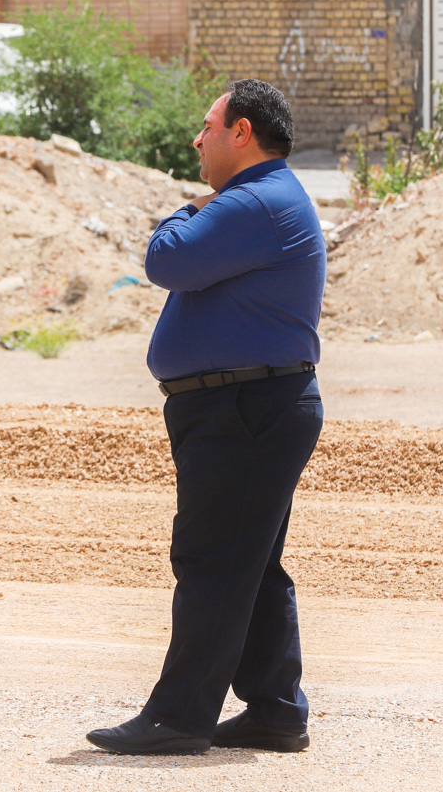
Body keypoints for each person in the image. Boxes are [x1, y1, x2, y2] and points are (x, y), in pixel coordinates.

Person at [86, 79, 326, 756]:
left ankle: (179, 715)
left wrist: (185, 210)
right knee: (251, 563)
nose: (197, 140)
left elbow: (166, 260)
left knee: (213, 560)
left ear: (241, 133)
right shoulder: (263, 197)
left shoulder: (253, 200)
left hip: (243, 407)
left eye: (208, 126)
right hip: (247, 403)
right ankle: (275, 710)